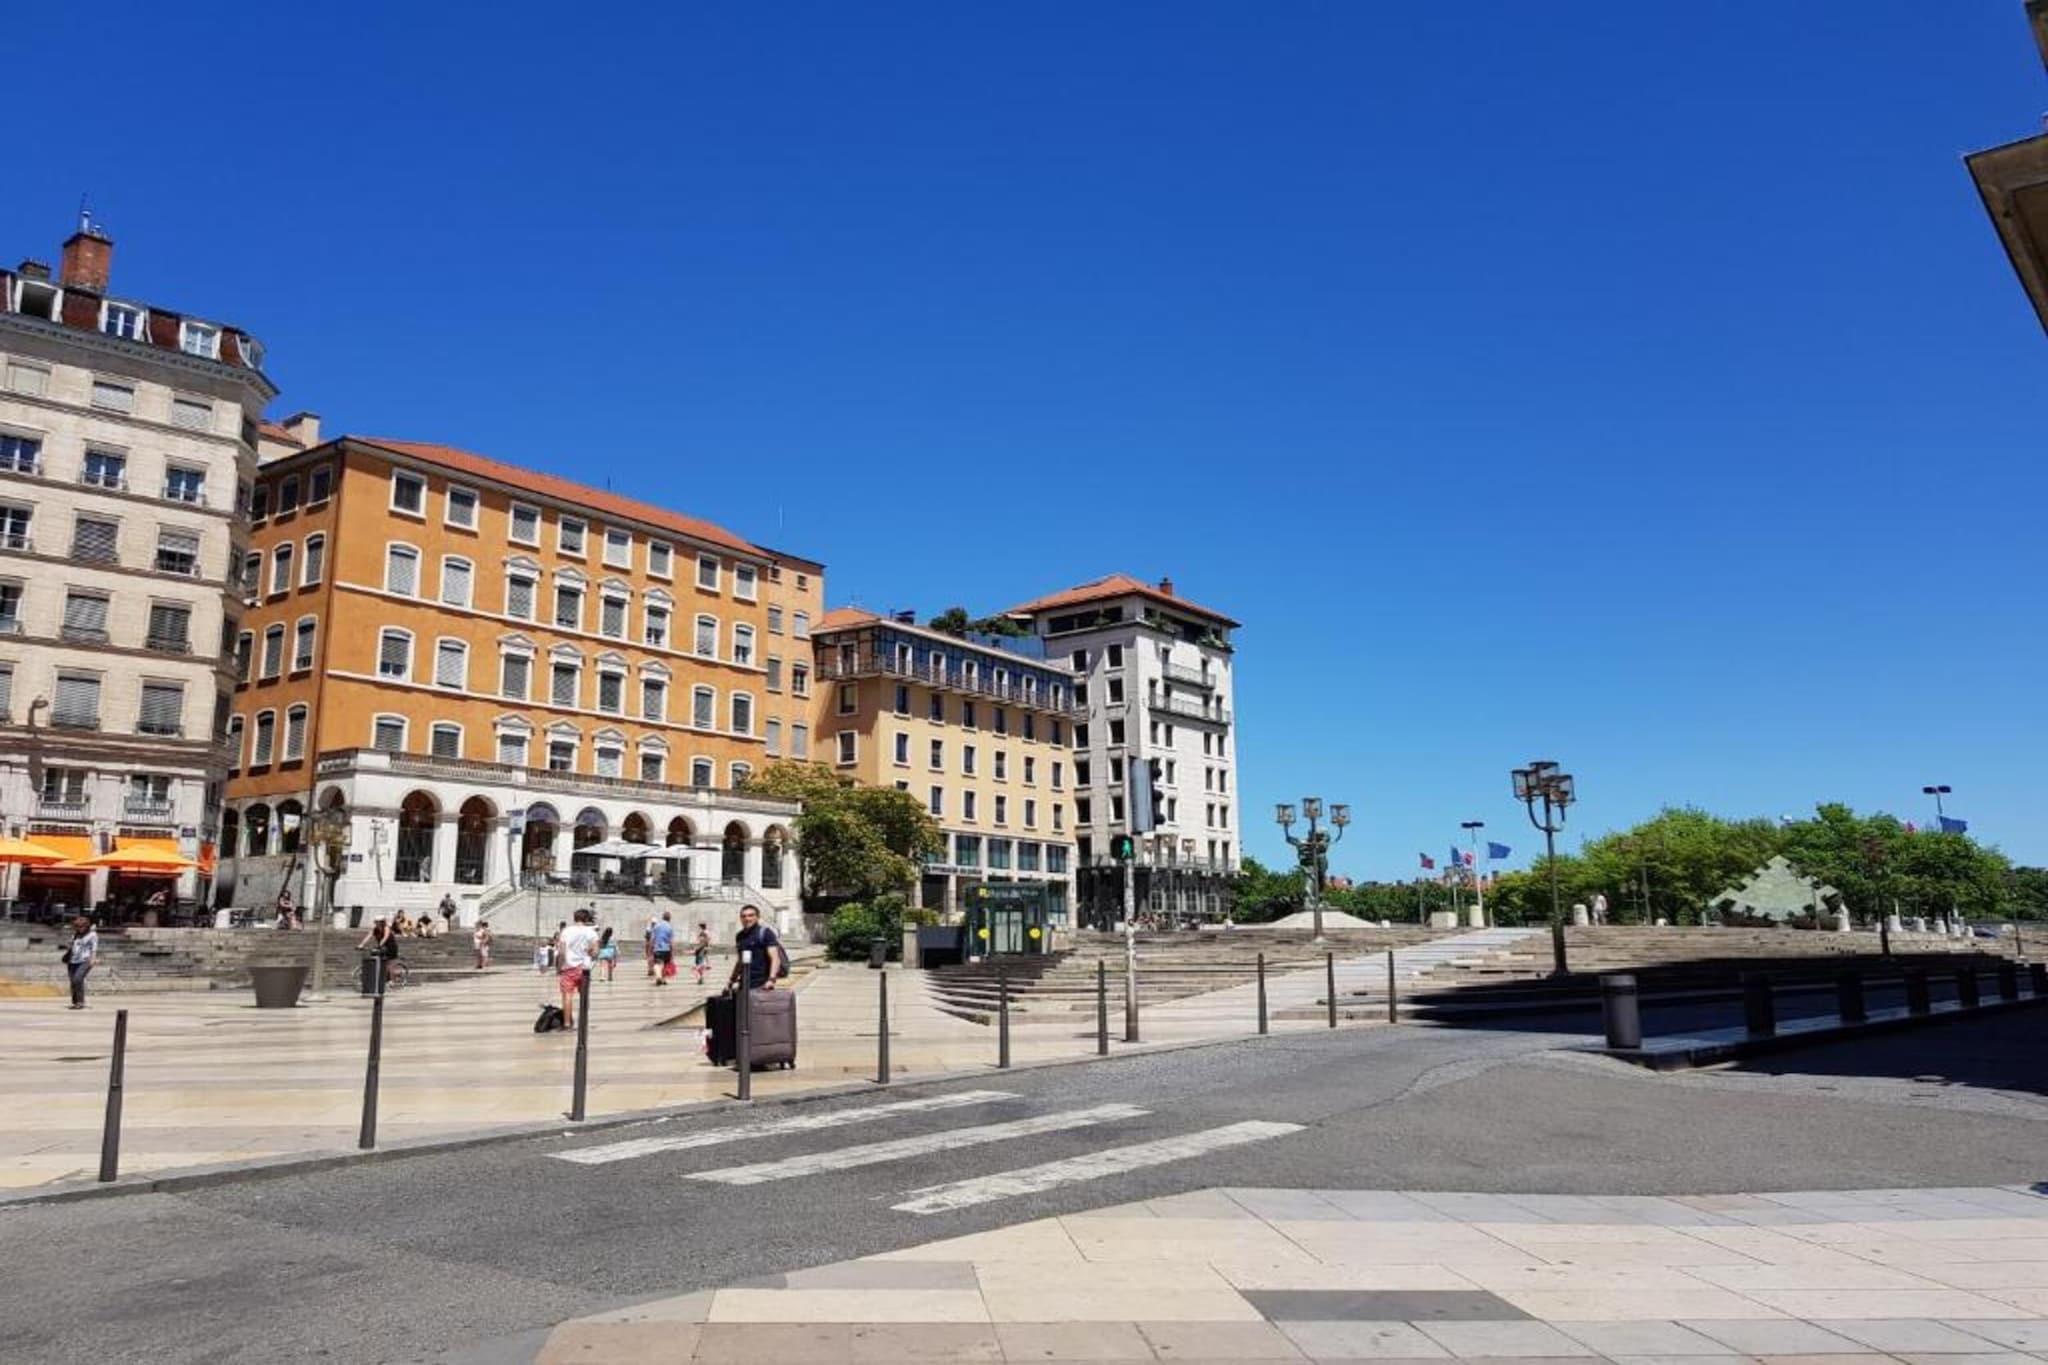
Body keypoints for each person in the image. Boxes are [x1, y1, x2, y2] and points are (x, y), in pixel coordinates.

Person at [557, 908, 600, 1028]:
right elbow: (596, 953)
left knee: (567, 996)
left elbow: (561, 952)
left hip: (568, 968)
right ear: (587, 919)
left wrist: (559, 967)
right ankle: (583, 1021)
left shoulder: (566, 931)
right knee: (584, 996)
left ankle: (567, 1023)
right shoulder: (591, 932)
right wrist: (589, 952)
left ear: (574, 918)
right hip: (584, 969)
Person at [726, 904, 784, 993]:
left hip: (762, 984)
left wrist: (771, 979)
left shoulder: (765, 933)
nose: (747, 919)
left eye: (751, 915)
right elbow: (740, 960)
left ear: (757, 917)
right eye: (743, 916)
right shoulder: (740, 936)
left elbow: (775, 958)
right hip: (744, 983)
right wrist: (732, 979)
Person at [63, 915, 98, 1010]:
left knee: (77, 979)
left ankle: (80, 1002)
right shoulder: (75, 935)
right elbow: (71, 947)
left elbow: (94, 947)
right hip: (72, 960)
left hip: (85, 960)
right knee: (73, 982)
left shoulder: (92, 935)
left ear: (86, 926)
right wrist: (69, 945)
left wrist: (93, 958)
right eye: (77, 927)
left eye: (81, 927)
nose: (79, 928)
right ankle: (75, 1002)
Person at [648, 911, 676, 986]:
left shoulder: (656, 926)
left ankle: (658, 977)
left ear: (662, 917)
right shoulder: (670, 927)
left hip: (658, 948)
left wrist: (650, 950)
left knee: (657, 964)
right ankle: (664, 979)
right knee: (665, 964)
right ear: (669, 918)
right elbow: (671, 942)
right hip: (667, 949)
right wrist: (672, 952)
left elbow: (652, 939)